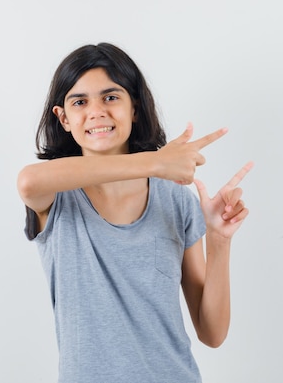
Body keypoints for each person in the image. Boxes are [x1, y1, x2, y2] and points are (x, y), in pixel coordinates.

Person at [17, 42, 253, 383]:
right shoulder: (57, 197)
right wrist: (156, 161)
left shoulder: (175, 200)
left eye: (111, 97)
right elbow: (28, 181)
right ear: (64, 118)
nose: (96, 111)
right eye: (80, 101)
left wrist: (219, 239)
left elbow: (212, 333)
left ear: (135, 109)